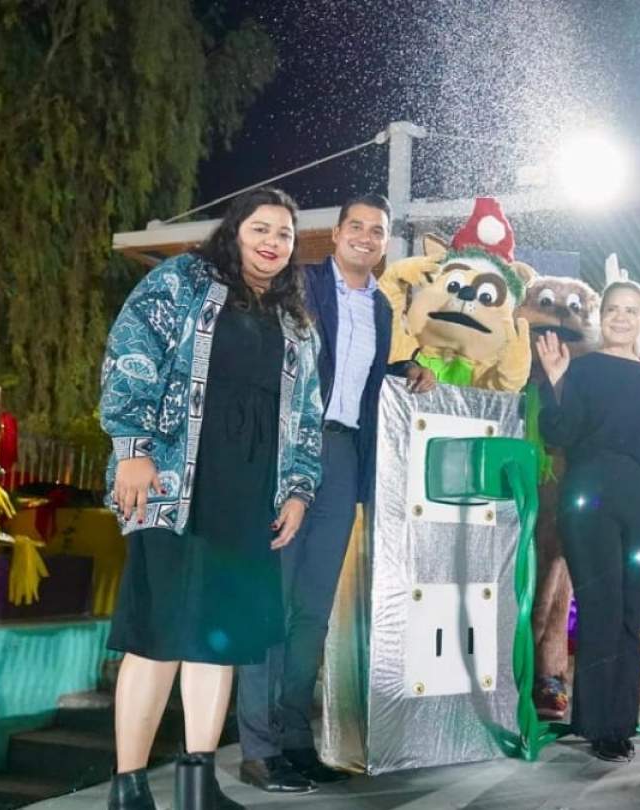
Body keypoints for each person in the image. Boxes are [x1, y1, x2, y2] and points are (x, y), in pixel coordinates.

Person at [100, 186, 324, 810]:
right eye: (261, 227)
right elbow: (130, 355)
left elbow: (307, 413)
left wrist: (299, 489)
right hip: (174, 486)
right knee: (159, 634)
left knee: (219, 637)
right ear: (236, 228)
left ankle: (199, 784)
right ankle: (129, 787)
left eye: (283, 233)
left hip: (250, 495)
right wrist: (133, 448)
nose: (272, 241)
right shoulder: (181, 282)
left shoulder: (295, 323)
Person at [235, 193, 435, 794]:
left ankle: (296, 739)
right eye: (357, 226)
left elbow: (367, 379)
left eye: (378, 230)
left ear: (385, 242)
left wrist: (409, 371)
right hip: (286, 451)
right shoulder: (298, 284)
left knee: (313, 610)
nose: (366, 237)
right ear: (337, 233)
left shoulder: (380, 307)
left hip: (343, 455)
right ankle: (258, 747)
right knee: (272, 599)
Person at [536, 280, 640, 763]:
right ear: (599, 316)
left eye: (631, 310)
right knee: (601, 611)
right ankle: (598, 724)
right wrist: (557, 381)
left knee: (629, 616)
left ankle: (617, 723)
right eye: (613, 309)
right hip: (590, 507)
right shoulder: (579, 370)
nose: (621, 318)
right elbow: (557, 433)